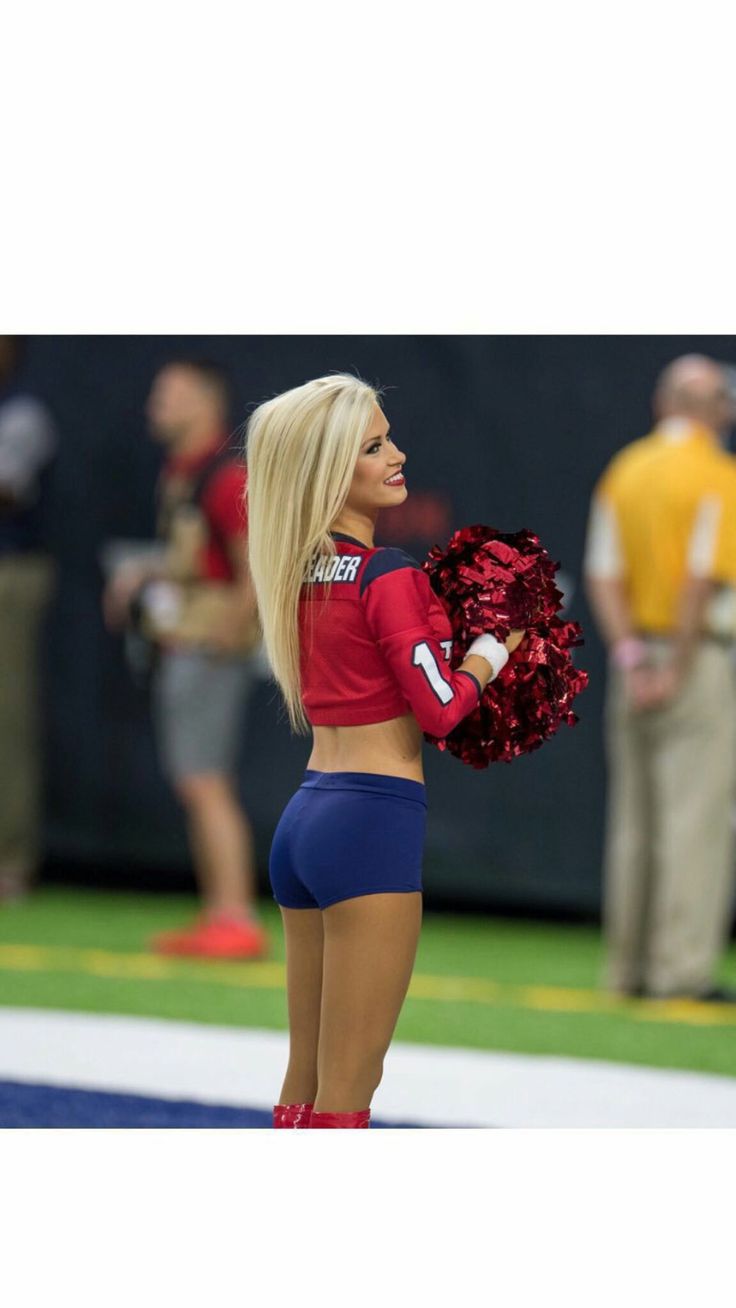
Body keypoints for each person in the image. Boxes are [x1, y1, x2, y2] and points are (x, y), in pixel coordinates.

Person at [246, 373, 523, 1128]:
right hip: (371, 825)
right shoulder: (386, 573)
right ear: (332, 470)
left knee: (302, 1087)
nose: (397, 455)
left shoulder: (296, 570)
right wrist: (493, 653)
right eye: (373, 447)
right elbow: (440, 711)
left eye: (388, 436)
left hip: (304, 822)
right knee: (347, 1098)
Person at [103, 359, 268, 959]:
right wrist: (141, 574)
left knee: (205, 783)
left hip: (206, 650)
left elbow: (255, 566)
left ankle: (234, 918)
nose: (155, 406)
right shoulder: (184, 474)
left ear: (206, 402)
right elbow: (194, 562)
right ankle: (221, 913)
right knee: (198, 783)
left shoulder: (224, 480)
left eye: (169, 395)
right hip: (189, 645)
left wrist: (225, 635)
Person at [584, 354, 736, 1002]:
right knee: (694, 818)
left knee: (633, 823)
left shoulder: (627, 470)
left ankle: (628, 971)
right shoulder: (718, 476)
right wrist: (674, 664)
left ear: (661, 403)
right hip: (694, 660)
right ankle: (680, 973)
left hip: (633, 662)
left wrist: (631, 659)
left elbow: (602, 572)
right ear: (716, 409)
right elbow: (701, 576)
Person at [0, 336, 57, 902]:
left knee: (7, 720)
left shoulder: (21, 412)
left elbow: (8, 489)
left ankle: (10, 862)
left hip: (9, 574)